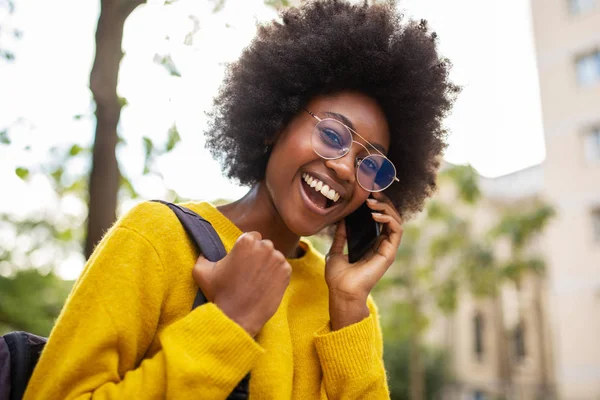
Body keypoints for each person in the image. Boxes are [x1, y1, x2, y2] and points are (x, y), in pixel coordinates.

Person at [24, 0, 458, 399]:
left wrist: (347, 307)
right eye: (331, 135)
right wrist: (226, 323)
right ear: (273, 123)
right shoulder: (156, 239)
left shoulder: (345, 304)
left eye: (371, 163)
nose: (346, 168)